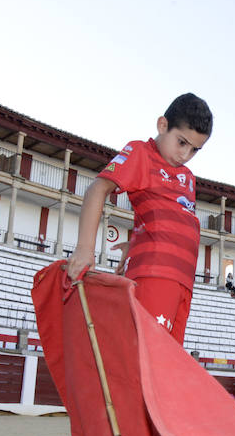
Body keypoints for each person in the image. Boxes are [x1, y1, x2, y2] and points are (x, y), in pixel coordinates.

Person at [66, 93, 212, 343]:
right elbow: (97, 190)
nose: (185, 155)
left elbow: (161, 214)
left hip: (184, 282)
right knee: (146, 357)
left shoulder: (187, 177)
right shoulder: (141, 153)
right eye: (181, 143)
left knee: (165, 366)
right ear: (162, 125)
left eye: (195, 150)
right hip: (156, 274)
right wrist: (85, 249)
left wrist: (134, 244)